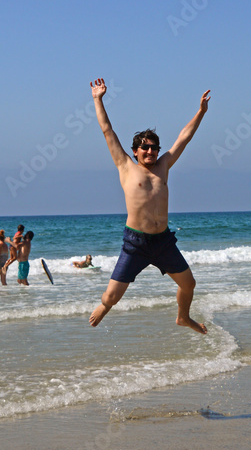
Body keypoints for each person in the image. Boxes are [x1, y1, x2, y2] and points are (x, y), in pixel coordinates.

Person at [87, 77, 210, 334]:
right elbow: (107, 131)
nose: (150, 152)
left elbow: (183, 138)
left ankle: (183, 317)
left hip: (163, 242)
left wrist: (200, 112)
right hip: (136, 244)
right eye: (145, 148)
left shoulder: (164, 166)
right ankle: (105, 307)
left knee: (189, 284)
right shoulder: (125, 166)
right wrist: (98, 99)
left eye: (154, 148)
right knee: (110, 297)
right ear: (135, 151)